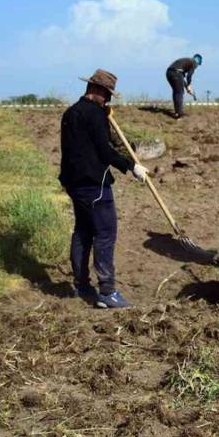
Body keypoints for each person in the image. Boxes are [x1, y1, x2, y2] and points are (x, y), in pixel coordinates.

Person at [59, 69, 149, 309]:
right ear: (96, 91)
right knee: (105, 233)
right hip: (94, 184)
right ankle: (107, 291)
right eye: (106, 95)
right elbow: (105, 151)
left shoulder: (70, 113)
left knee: (83, 231)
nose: (107, 100)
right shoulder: (95, 115)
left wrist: (103, 114)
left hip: (73, 182)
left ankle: (81, 283)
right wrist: (132, 167)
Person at [165, 54, 202, 119]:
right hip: (176, 73)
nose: (196, 67)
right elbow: (189, 76)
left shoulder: (186, 61)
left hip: (169, 72)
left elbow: (181, 79)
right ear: (198, 62)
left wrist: (187, 87)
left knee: (176, 92)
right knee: (179, 93)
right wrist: (189, 85)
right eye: (198, 65)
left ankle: (177, 112)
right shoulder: (193, 63)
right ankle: (180, 114)